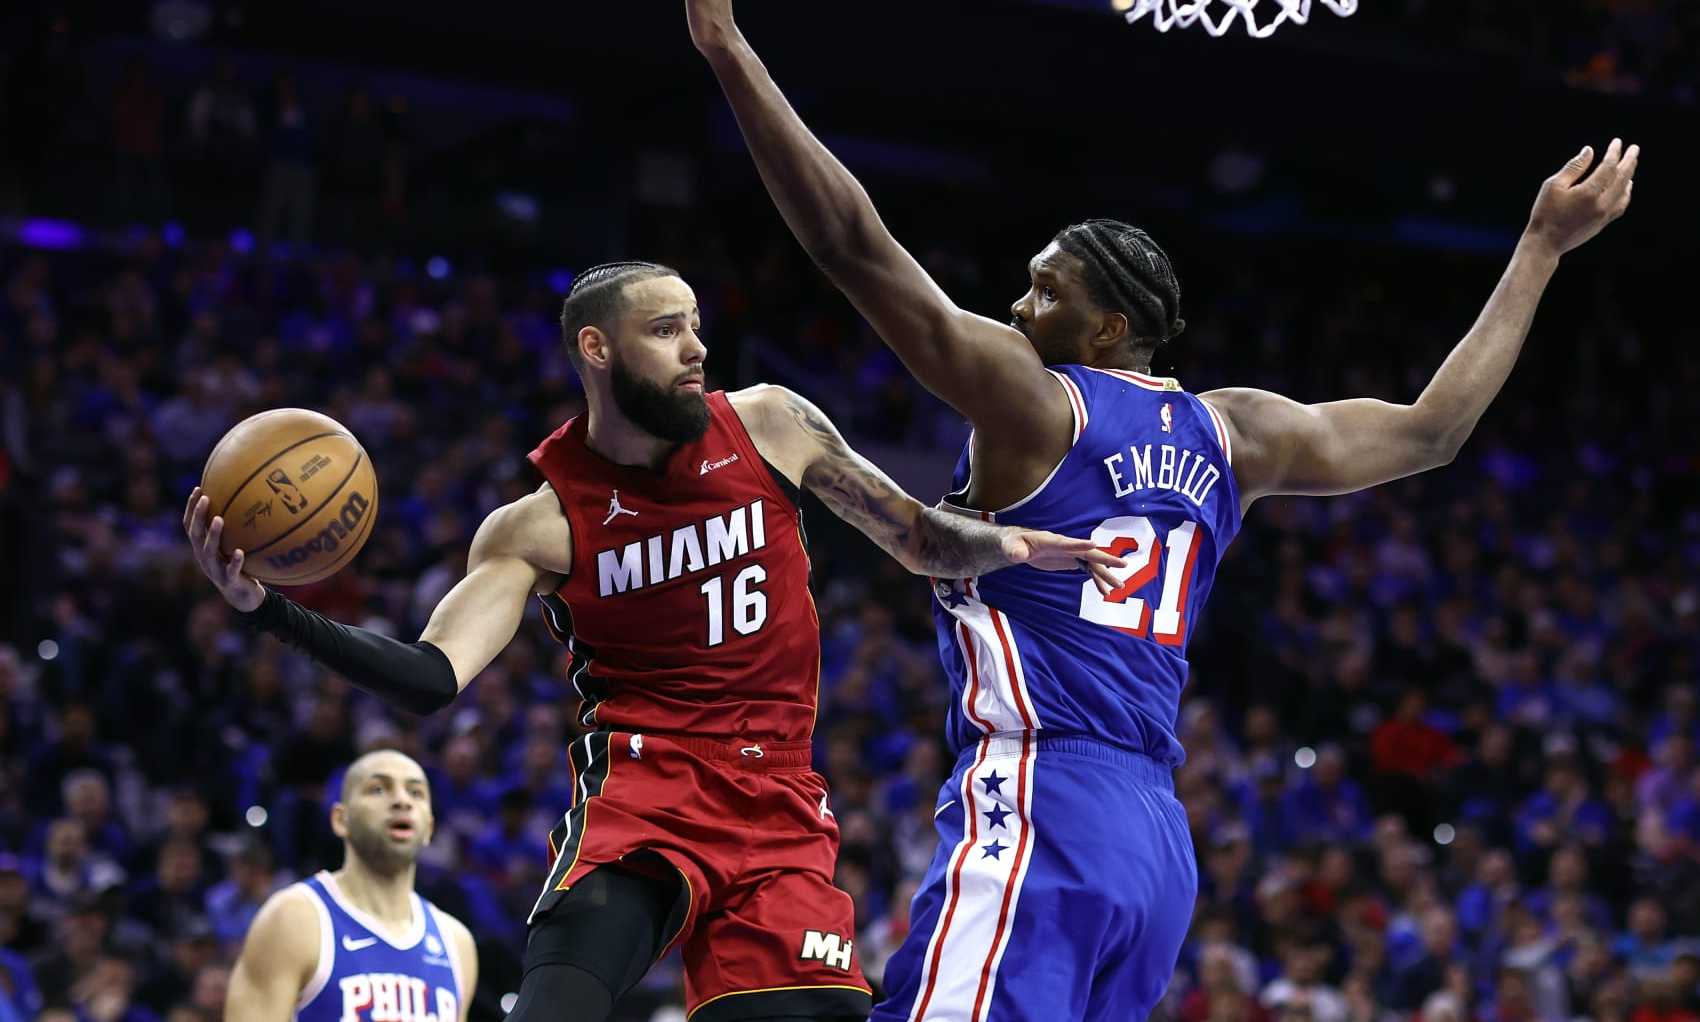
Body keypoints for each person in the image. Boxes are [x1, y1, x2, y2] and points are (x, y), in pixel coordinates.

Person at [684, 0, 1639, 1022]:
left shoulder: (1035, 399)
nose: (1017, 309)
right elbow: (1434, 429)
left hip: (1043, 793)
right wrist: (1539, 249)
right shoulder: (1238, 433)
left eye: (1044, 293)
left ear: (1111, 325)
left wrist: (728, 51)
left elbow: (853, 246)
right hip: (1155, 843)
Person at [185, 260, 1122, 1022]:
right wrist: (267, 608)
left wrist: (1007, 543)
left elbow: (915, 534)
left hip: (779, 807)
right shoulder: (539, 525)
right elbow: (432, 678)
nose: (695, 348)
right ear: (597, 348)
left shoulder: (769, 423)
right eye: (666, 329)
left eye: (696, 325)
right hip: (648, 793)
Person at [224, 749, 476, 1022]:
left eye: (416, 793)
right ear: (341, 819)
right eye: (378, 789)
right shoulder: (295, 918)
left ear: (428, 829)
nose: (402, 801)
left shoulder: (456, 943)